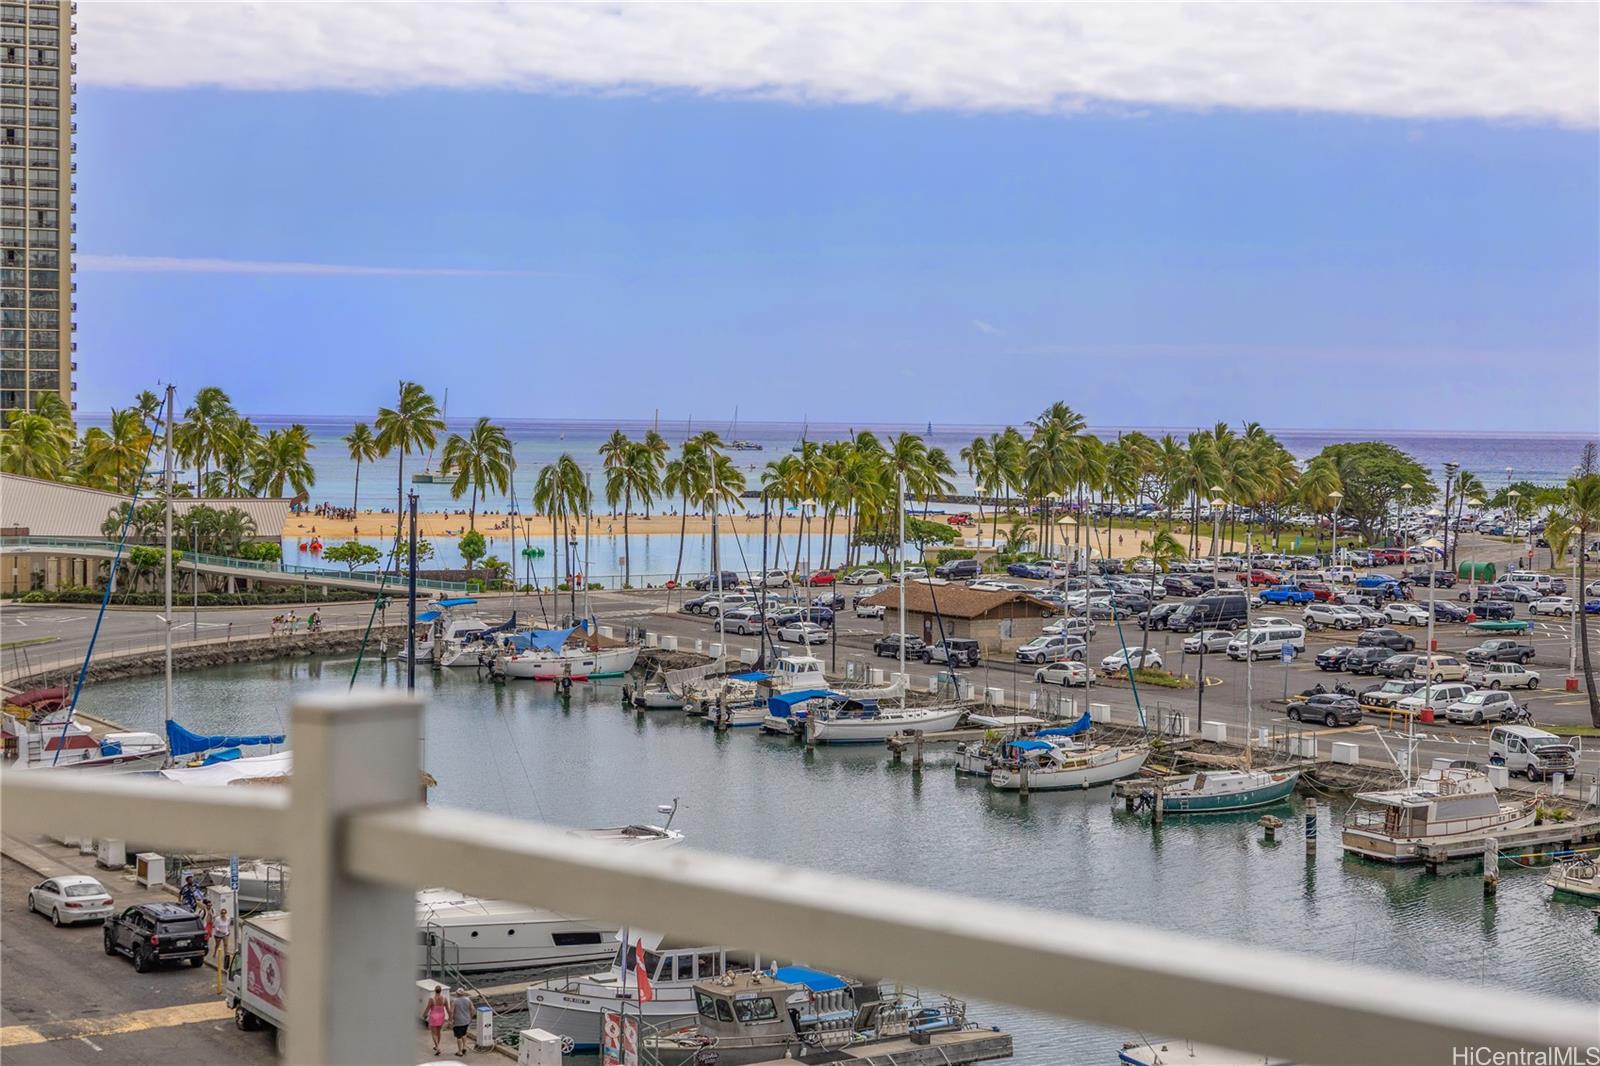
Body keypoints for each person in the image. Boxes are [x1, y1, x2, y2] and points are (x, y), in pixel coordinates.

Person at [423, 986, 448, 1056]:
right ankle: (437, 1046)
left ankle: (437, 1047)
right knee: (438, 1032)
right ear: (440, 991)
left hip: (434, 1017)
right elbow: (448, 1009)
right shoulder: (444, 999)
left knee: (433, 1033)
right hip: (441, 1016)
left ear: (435, 991)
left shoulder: (432, 999)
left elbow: (428, 1008)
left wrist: (424, 1015)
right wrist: (450, 1018)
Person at [450, 988, 474, 1056]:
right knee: (464, 1034)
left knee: (459, 1036)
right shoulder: (468, 1000)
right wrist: (471, 1017)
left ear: (457, 994)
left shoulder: (454, 1001)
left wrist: (450, 1020)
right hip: (466, 1020)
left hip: (458, 1021)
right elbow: (473, 1009)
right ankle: (464, 1047)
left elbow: (451, 1012)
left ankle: (460, 1051)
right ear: (463, 993)